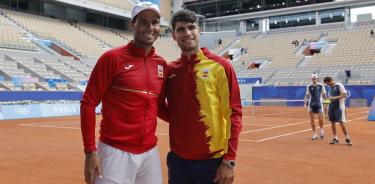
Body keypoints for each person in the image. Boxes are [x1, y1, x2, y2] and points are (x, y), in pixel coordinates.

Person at [80, 2, 167, 184]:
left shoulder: (161, 65)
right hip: (114, 152)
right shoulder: (112, 58)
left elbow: (158, 106)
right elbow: (88, 103)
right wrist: (90, 151)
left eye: (155, 22)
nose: (150, 27)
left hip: (150, 153)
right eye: (143, 22)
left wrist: (189, 118)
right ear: (132, 25)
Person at [158, 9, 242, 184]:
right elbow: (158, 106)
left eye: (191, 27)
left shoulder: (220, 66)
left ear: (199, 30)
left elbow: (234, 114)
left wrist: (229, 160)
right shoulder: (170, 69)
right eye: (181, 29)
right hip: (178, 161)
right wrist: (179, 119)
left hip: (212, 161)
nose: (187, 33)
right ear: (173, 35)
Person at [323, 76, 353, 146]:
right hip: (331, 107)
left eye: (327, 83)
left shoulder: (339, 85)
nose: (327, 85)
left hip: (339, 107)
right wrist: (325, 105)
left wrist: (334, 98)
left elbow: (345, 95)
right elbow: (329, 99)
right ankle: (335, 138)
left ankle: (347, 138)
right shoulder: (330, 89)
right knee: (332, 122)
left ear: (330, 81)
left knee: (341, 123)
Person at [304, 74, 327, 140]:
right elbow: (307, 95)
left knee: (320, 119)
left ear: (317, 79)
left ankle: (322, 130)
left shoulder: (321, 85)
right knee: (312, 120)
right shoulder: (309, 86)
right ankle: (314, 134)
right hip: (311, 104)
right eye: (313, 78)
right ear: (311, 79)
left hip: (319, 104)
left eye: (315, 78)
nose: (314, 79)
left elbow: (324, 94)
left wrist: (326, 103)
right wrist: (305, 102)